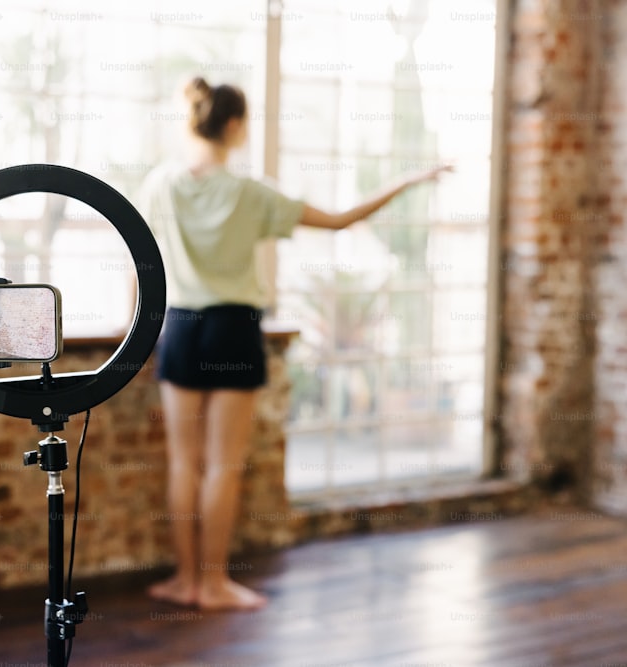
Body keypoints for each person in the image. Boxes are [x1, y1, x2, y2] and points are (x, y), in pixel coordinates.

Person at [138, 77, 451, 611]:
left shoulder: (160, 184)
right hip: (233, 327)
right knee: (222, 466)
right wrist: (406, 180)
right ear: (234, 125)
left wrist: (138, 328)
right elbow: (339, 221)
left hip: (181, 327)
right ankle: (212, 586)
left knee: (182, 464)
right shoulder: (250, 191)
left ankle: (184, 580)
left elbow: (139, 257)